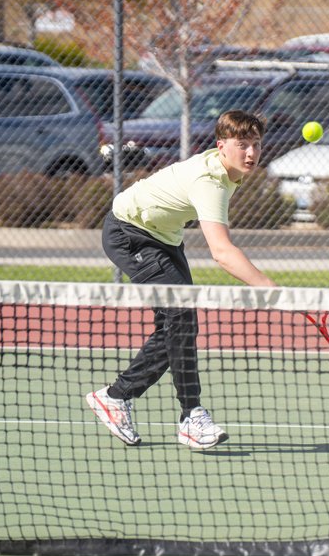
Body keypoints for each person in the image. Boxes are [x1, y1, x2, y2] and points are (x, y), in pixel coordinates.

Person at [86, 110, 277, 451]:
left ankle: (118, 396)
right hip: (130, 233)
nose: (251, 153)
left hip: (164, 238)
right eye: (242, 144)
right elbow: (221, 252)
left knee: (179, 323)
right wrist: (270, 289)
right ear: (221, 146)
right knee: (180, 318)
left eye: (257, 144)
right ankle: (189, 415)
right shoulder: (210, 182)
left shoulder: (226, 172)